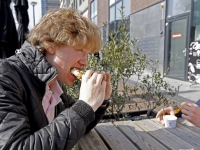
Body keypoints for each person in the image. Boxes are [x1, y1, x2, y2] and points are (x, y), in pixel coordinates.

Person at [0, 8, 112, 149]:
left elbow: (77, 128)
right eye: (80, 50)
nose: (85, 62)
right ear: (50, 44)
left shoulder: (52, 84)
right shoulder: (5, 78)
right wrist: (84, 106)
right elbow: (16, 146)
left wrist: (100, 101)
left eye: (87, 54)